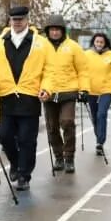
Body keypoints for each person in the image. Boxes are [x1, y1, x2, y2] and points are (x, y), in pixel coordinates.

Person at [0, 5, 48, 191]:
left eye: (21, 19)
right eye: (14, 19)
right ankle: (14, 163)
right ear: (10, 20)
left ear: (27, 19)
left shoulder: (40, 43)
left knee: (26, 139)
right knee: (4, 136)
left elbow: (49, 70)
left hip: (29, 97)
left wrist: (47, 87)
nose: (17, 22)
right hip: (5, 97)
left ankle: (24, 175)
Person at [38, 14, 89, 174]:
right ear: (48, 31)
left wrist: (84, 89)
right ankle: (58, 157)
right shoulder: (40, 46)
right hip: (48, 92)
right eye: (52, 30)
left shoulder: (73, 47)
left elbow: (83, 69)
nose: (55, 33)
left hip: (69, 91)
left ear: (63, 31)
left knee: (67, 122)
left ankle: (69, 158)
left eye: (57, 30)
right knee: (52, 127)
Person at [83, 31, 111, 157]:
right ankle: (99, 138)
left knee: (102, 114)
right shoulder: (86, 55)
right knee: (95, 117)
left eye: (101, 42)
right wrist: (81, 89)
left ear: (105, 43)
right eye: (97, 41)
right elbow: (81, 72)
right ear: (93, 42)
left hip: (107, 90)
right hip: (91, 91)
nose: (99, 44)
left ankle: (100, 142)